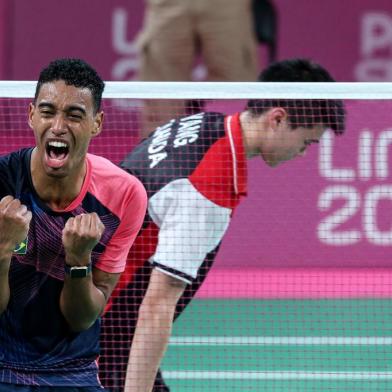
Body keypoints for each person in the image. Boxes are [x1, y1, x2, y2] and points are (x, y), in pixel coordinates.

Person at [99, 58, 346, 391]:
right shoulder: (208, 186)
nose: (302, 154)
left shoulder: (204, 125)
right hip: (101, 333)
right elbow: (157, 305)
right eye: (306, 142)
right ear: (277, 119)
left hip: (105, 317)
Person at [0, 58, 147, 391]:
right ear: (31, 115)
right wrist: (1, 249)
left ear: (97, 123)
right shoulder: (3, 182)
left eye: (74, 115)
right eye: (48, 111)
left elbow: (83, 318)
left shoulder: (124, 195)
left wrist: (79, 261)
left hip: (73, 370)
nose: (58, 126)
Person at [136, 0, 260, 137]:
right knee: (161, 89)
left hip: (226, 5)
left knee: (234, 86)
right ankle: (158, 154)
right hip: (170, 4)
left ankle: (231, 152)